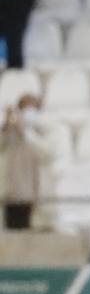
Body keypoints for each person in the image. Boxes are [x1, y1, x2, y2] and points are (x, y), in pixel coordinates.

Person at [0, 95, 53, 229]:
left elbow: (46, 153)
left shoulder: (44, 131)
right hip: (13, 195)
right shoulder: (10, 131)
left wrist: (24, 131)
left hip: (35, 196)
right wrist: (6, 126)